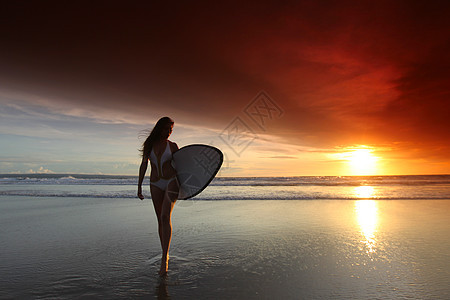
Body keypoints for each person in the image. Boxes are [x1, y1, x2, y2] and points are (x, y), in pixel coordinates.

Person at [137, 117, 179, 276]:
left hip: (171, 182)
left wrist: (188, 186)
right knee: (159, 220)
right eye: (167, 128)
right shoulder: (149, 146)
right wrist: (139, 185)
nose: (169, 132)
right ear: (159, 128)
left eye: (171, 130)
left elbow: (182, 165)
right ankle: (165, 252)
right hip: (155, 183)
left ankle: (164, 259)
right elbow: (144, 165)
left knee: (164, 216)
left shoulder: (173, 146)